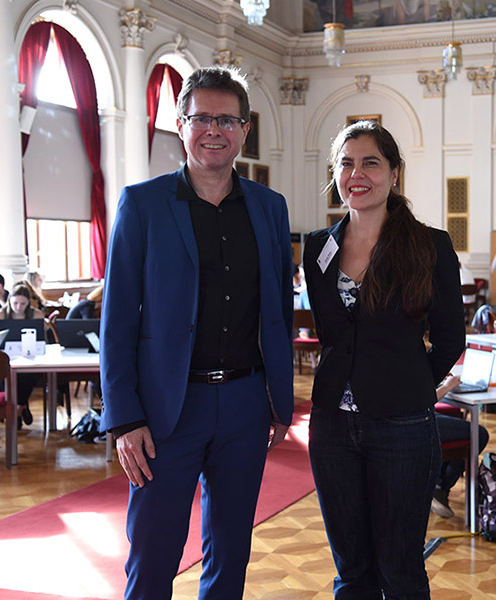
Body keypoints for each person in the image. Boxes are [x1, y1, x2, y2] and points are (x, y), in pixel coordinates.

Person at [99, 65, 294, 600]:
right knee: (154, 552)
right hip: (166, 411)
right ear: (180, 125)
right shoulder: (141, 205)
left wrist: (279, 400)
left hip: (245, 403)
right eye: (202, 118)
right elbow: (117, 319)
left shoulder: (270, 208)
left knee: (231, 552)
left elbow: (277, 309)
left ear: (244, 131)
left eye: (227, 120)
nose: (215, 130)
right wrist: (125, 417)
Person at [303, 120, 464, 598]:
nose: (357, 173)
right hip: (332, 426)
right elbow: (331, 334)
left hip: (402, 426)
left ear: (395, 172)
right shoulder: (318, 248)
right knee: (351, 569)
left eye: (370, 162)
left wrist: (411, 384)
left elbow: (451, 338)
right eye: (346, 163)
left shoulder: (430, 245)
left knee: (399, 568)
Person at [0, 284, 46, 428]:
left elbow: (43, 340)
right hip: (6, 358)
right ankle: (21, 406)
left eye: (23, 303)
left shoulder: (36, 314)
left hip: (30, 357)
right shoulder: (1, 314)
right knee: (7, 375)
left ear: (29, 303)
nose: (18, 307)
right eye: (15, 303)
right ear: (9, 301)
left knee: (28, 374)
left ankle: (18, 408)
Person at [431, 374, 489, 519]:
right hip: (418, 420)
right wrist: (447, 387)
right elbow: (420, 401)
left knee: (459, 427)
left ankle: (438, 486)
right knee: (478, 434)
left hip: (418, 417)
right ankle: (440, 486)